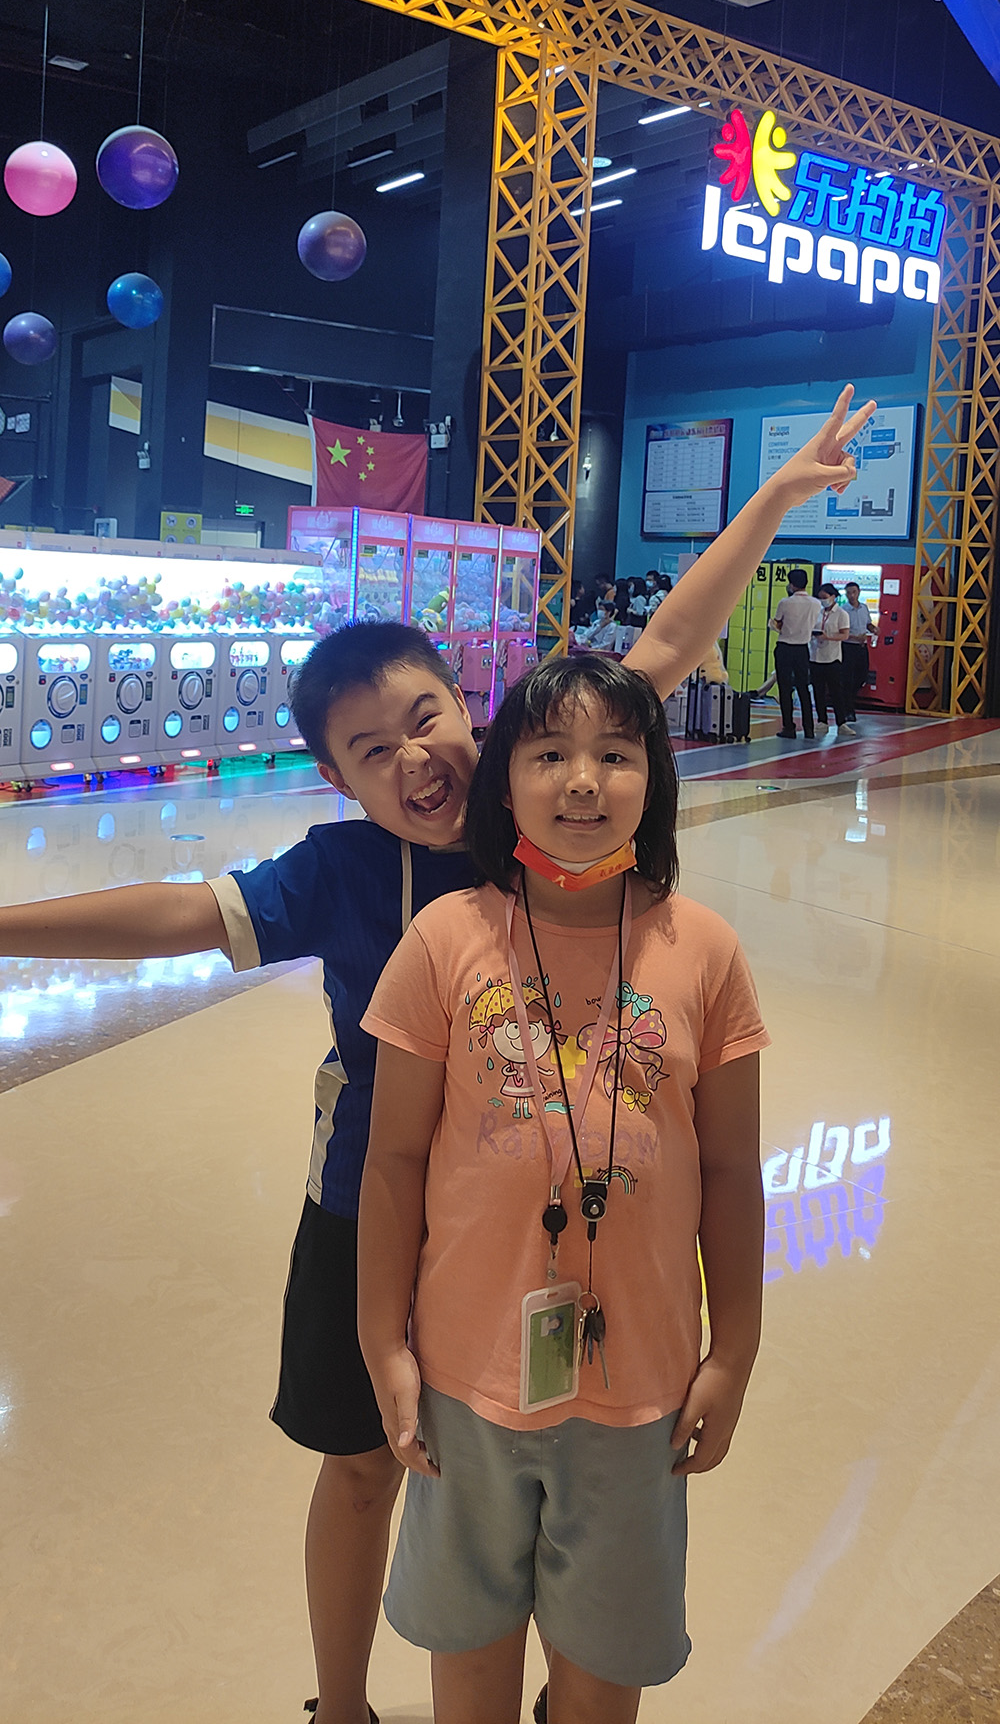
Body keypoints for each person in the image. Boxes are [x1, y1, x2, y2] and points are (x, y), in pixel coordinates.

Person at [0, 384, 873, 1724]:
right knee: (362, 1464)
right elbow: (183, 911)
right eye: (370, 750)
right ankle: (340, 1703)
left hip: (535, 1225)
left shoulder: (539, 788)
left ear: (471, 709)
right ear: (338, 780)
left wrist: (772, 496)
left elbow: (664, 648)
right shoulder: (339, 871)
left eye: (424, 718)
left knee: (528, 1460)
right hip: (367, 1202)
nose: (413, 756)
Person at [357, 656, 769, 1724]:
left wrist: (733, 1351)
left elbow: (731, 1170)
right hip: (466, 1378)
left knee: (601, 1672)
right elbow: (394, 1159)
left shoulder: (703, 951)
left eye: (615, 754)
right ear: (504, 779)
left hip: (640, 1389)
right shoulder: (445, 941)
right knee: (469, 1656)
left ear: (654, 777)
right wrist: (385, 1343)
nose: (583, 781)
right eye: (549, 754)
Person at [769, 568, 822, 740]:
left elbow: (778, 623)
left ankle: (789, 727)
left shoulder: (785, 602)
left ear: (791, 584)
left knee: (785, 689)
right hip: (802, 649)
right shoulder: (816, 603)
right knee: (803, 688)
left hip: (785, 647)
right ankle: (809, 728)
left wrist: (774, 625)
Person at [810, 582, 853, 735]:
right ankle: (822, 721)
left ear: (833, 596)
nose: (822, 600)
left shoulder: (841, 614)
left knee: (836, 691)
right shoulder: (818, 612)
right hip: (815, 656)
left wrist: (828, 637)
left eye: (825, 597)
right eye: (820, 597)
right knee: (818, 691)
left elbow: (845, 635)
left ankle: (841, 722)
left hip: (832, 658)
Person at [842, 580, 875, 721]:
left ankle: (849, 700)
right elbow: (841, 631)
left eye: (854, 592)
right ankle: (848, 710)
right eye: (849, 593)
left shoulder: (864, 608)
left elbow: (868, 624)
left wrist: (874, 629)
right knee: (847, 678)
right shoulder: (843, 610)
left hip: (862, 647)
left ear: (859, 592)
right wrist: (855, 637)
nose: (852, 595)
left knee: (862, 676)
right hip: (848, 646)